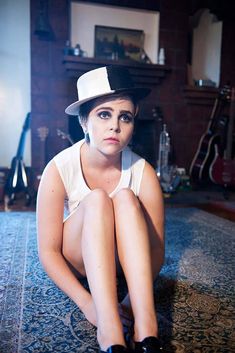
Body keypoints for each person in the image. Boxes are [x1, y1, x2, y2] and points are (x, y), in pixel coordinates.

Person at [37, 65, 165, 353]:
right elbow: (47, 251)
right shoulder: (58, 168)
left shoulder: (144, 173)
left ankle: (147, 327)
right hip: (79, 258)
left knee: (126, 199)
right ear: (84, 121)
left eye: (125, 117)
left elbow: (155, 250)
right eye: (104, 114)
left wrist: (129, 303)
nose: (115, 126)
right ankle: (109, 328)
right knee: (96, 199)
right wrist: (87, 303)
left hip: (123, 261)